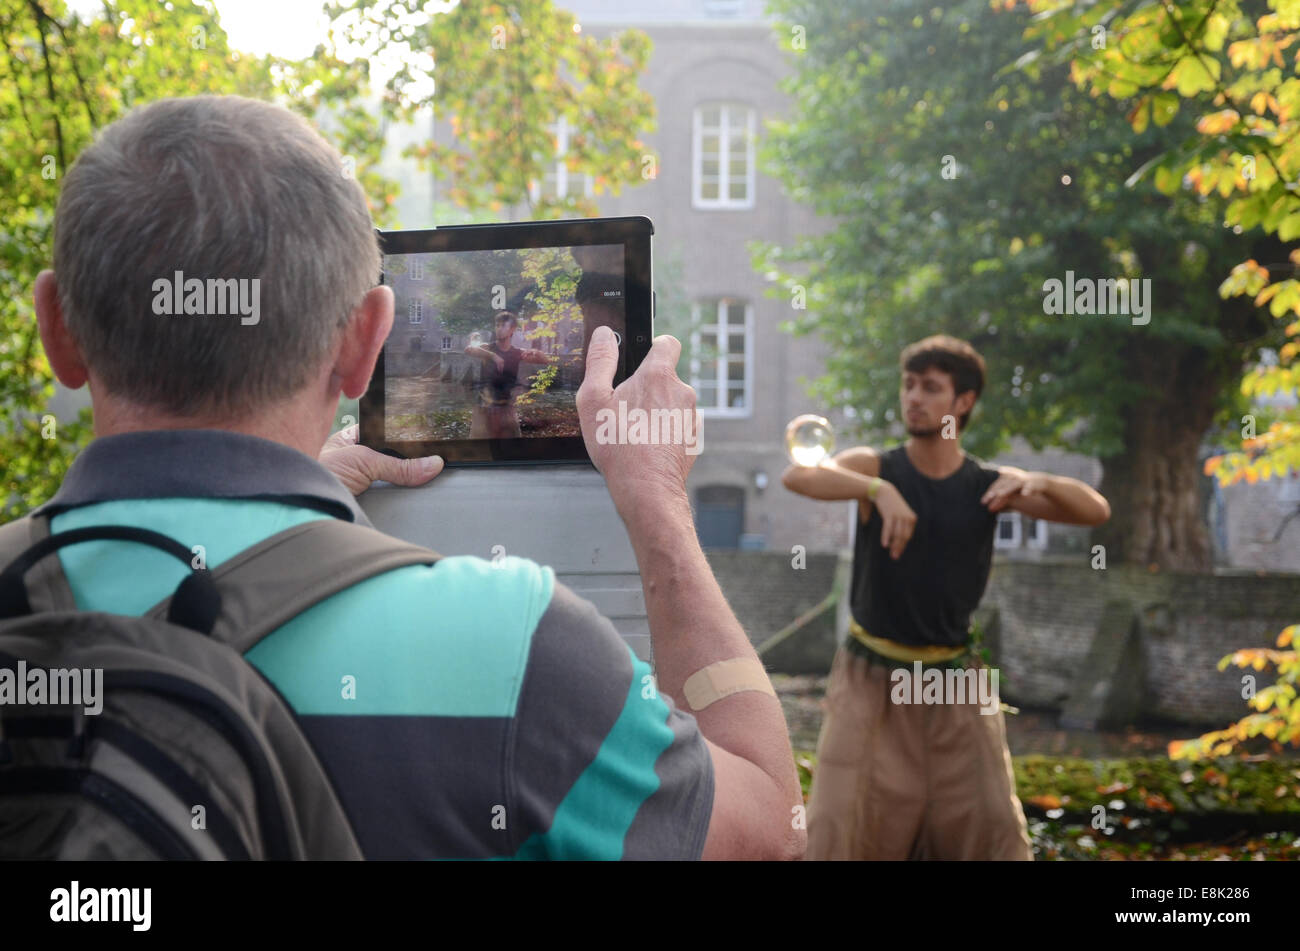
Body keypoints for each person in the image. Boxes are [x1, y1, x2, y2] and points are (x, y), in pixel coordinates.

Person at [20, 94, 804, 860]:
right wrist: (660, 503)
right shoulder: (514, 648)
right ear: (366, 343)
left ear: (56, 328)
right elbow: (770, 828)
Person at [782, 335, 1110, 860]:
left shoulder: (988, 487)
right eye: (909, 385)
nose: (913, 397)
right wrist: (878, 493)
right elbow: (798, 475)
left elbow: (1094, 510)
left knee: (993, 832)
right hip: (870, 679)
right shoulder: (875, 468)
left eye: (931, 388)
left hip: (954, 683)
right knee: (837, 830)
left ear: (964, 403)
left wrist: (1034, 478)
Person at [463, 311, 557, 438]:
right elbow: (468, 349)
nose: (499, 329)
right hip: (484, 408)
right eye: (497, 325)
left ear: (512, 329)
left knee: (512, 449)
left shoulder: (517, 353)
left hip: (506, 408)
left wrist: (535, 352)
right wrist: (493, 356)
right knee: (480, 450)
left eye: (503, 326)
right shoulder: (487, 348)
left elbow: (546, 360)